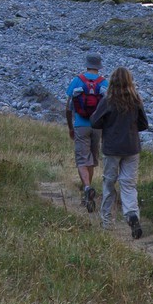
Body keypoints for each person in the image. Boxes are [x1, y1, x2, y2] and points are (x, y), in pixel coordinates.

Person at [89, 64, 148, 238]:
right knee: (128, 185)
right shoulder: (136, 100)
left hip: (111, 148)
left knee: (109, 184)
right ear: (130, 81)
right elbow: (144, 124)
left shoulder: (108, 100)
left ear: (112, 81)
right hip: (131, 148)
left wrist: (108, 125)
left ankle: (107, 222)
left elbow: (94, 122)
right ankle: (132, 214)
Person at [65, 50, 106, 211]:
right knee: (92, 159)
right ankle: (88, 193)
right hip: (98, 126)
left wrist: (70, 127)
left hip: (80, 125)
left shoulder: (77, 81)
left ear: (87, 64)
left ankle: (87, 188)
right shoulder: (104, 83)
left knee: (82, 159)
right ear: (99, 66)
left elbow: (68, 107)